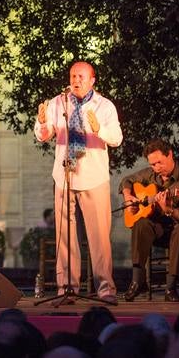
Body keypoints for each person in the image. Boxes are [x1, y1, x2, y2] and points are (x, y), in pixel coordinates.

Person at [34, 61, 123, 305]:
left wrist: (99, 129)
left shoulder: (104, 106)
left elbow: (116, 138)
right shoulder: (58, 102)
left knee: (99, 238)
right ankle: (66, 289)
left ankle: (105, 289)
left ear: (92, 80)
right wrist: (42, 122)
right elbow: (43, 135)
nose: (76, 80)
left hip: (93, 177)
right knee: (65, 236)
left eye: (82, 76)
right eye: (73, 76)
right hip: (64, 176)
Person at [119, 138, 179, 302]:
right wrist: (129, 198)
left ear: (170, 154)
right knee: (141, 223)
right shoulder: (150, 174)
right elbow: (125, 181)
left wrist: (168, 209)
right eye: (152, 164)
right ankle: (137, 281)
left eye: (159, 163)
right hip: (161, 230)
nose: (156, 168)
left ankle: (170, 287)